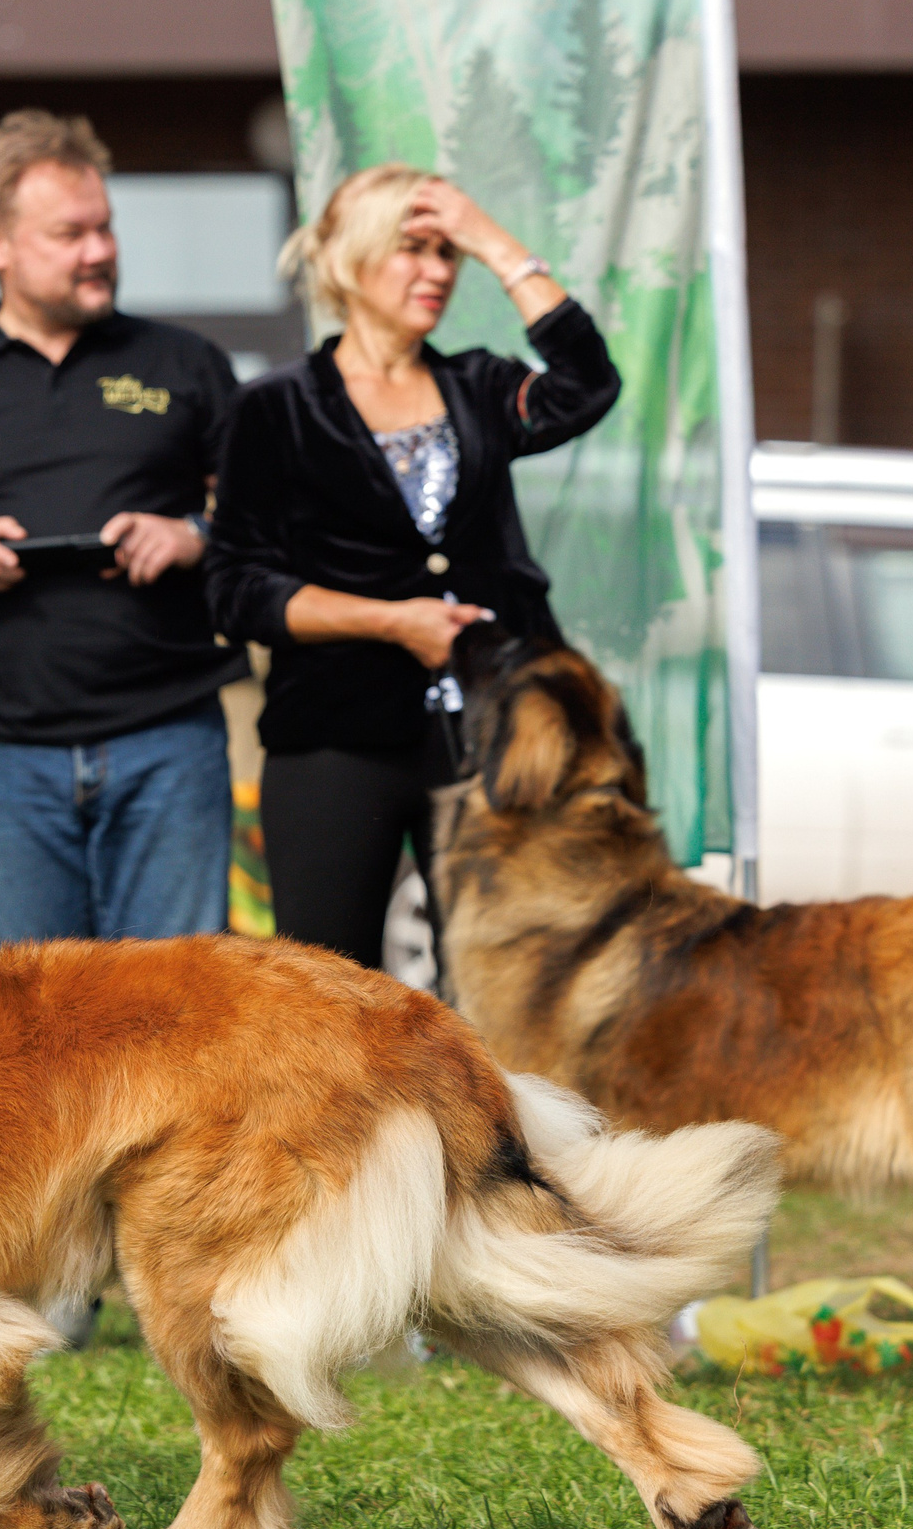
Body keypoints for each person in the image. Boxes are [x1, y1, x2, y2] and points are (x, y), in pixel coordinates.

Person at [0, 110, 247, 943]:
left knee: (176, 1025)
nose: (99, 250)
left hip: (169, 744)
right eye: (70, 233)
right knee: (36, 1039)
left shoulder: (186, 365)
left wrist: (192, 536)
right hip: (4, 760)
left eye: (105, 228)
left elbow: (272, 524)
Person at [204, 164, 619, 975]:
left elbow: (587, 384)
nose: (437, 271)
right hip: (335, 738)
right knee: (334, 999)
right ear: (352, 261)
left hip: (498, 739)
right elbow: (236, 589)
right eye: (413, 250)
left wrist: (493, 242)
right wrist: (391, 621)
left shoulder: (479, 388)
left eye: (447, 252)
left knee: (509, 987)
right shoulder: (275, 409)